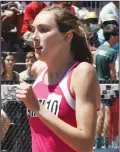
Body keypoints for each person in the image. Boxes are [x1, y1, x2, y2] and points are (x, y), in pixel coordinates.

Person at [16, 6, 101, 152]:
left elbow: (86, 144)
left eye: (43, 30)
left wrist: (38, 109)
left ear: (67, 37)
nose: (34, 36)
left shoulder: (82, 73)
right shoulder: (39, 70)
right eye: (33, 29)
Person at [95, 25, 119, 148]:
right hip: (108, 84)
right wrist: (115, 87)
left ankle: (97, 141)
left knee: (100, 114)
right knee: (108, 113)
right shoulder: (111, 52)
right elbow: (112, 73)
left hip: (98, 83)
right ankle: (106, 142)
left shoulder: (99, 50)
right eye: (117, 35)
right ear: (112, 36)